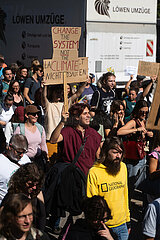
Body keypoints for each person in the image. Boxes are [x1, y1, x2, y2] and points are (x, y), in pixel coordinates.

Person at [87, 137, 130, 240]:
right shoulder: (94, 172)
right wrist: (98, 225)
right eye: (115, 152)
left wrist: (128, 220)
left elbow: (125, 194)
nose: (118, 156)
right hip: (104, 226)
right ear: (106, 152)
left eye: (120, 153)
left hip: (122, 224)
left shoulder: (123, 167)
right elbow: (92, 202)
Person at [50, 103, 102, 176]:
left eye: (88, 113)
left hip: (88, 176)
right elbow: (53, 140)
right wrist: (62, 122)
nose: (88, 116)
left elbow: (98, 157)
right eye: (85, 113)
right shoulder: (68, 131)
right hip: (71, 177)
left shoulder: (93, 134)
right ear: (77, 117)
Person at [117, 100, 153, 198]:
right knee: (131, 184)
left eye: (146, 112)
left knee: (141, 183)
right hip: (133, 157)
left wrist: (150, 134)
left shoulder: (145, 121)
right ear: (137, 111)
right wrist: (137, 129)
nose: (144, 114)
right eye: (142, 112)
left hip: (143, 156)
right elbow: (120, 132)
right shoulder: (134, 122)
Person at [2, 163, 46, 231]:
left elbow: (42, 216)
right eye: (30, 184)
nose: (34, 187)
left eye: (36, 184)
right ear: (22, 180)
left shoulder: (37, 193)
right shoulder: (12, 196)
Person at [0, 134, 30, 203]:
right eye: (19, 152)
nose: (22, 155)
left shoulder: (26, 159)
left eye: (24, 152)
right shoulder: (1, 162)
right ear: (10, 147)